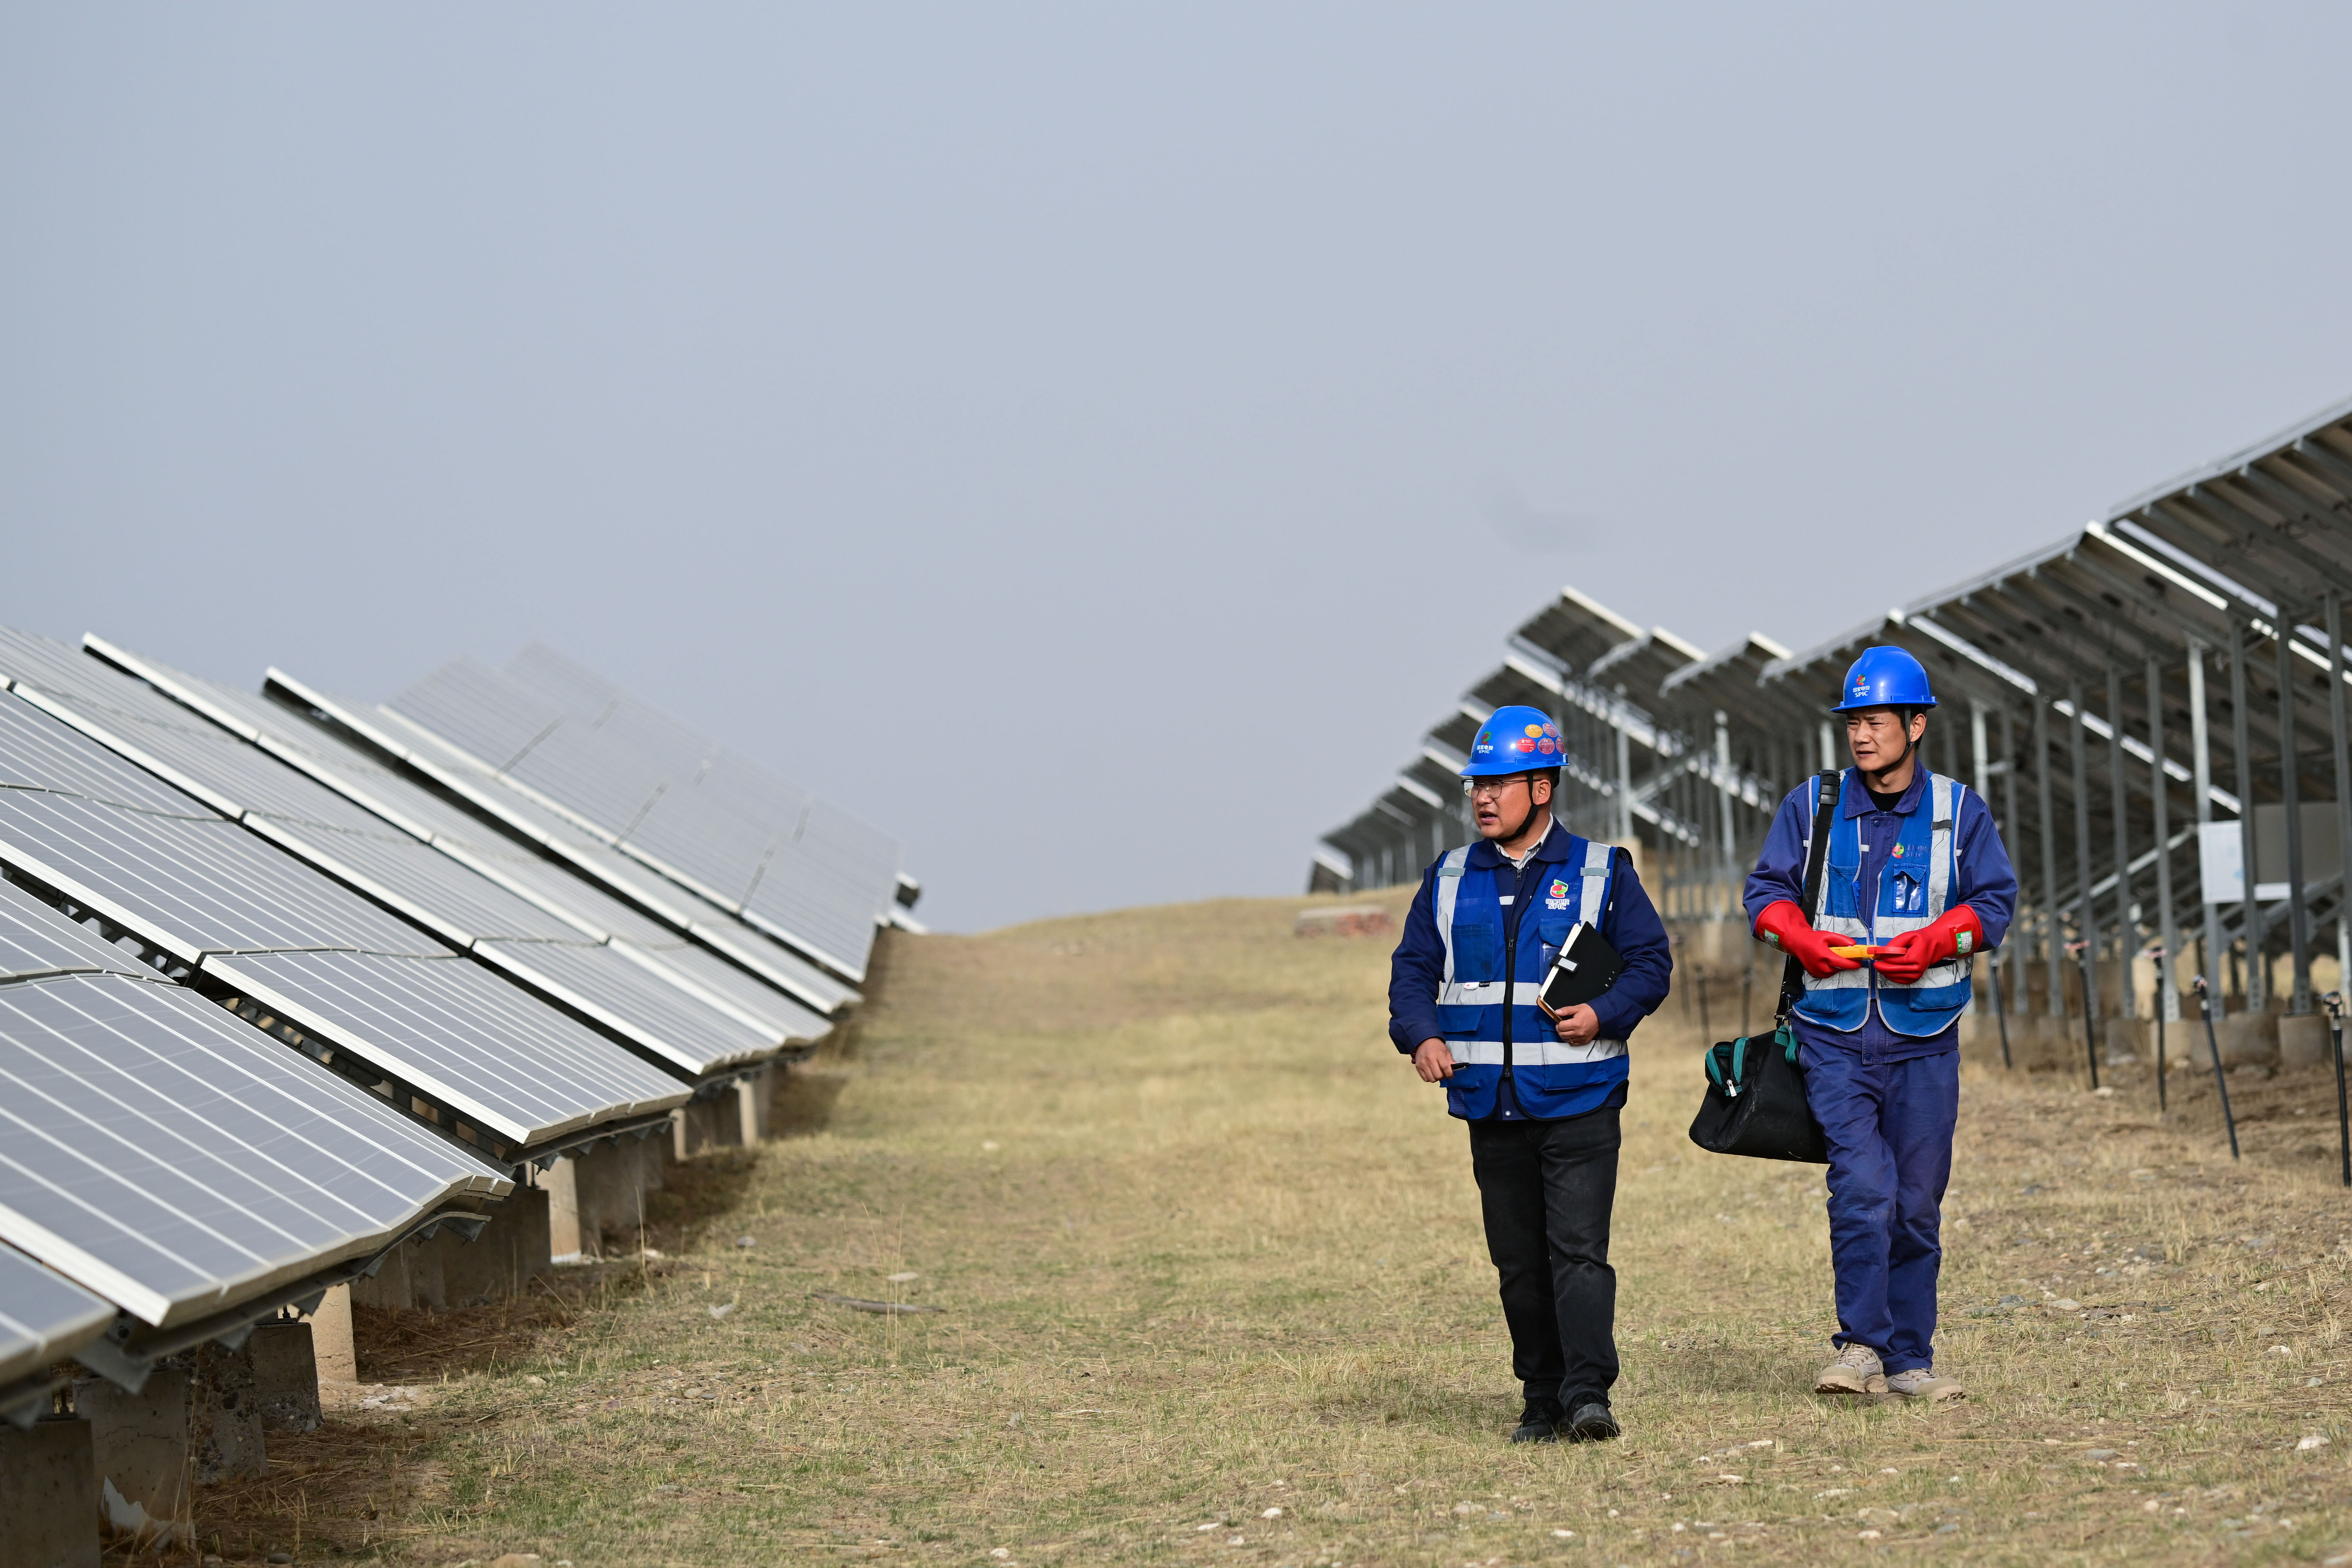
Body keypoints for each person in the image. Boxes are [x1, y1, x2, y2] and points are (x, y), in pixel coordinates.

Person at [1387, 704, 1673, 1444]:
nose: (1482, 797)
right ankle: (1539, 1400)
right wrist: (1419, 1035)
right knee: (1517, 1263)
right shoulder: (1448, 878)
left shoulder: (1600, 871)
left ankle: (1587, 1396)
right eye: (1475, 785)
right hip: (1490, 1104)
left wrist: (1603, 1014)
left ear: (1541, 789)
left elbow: (1650, 965)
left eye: (1498, 783)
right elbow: (1413, 970)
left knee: (1576, 1254)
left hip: (1580, 1099)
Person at [1742, 646, 2016, 1402]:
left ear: (1915, 724)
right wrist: (1798, 938)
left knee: (1917, 1203)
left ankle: (1910, 1360)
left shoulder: (1957, 811)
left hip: (1923, 1037)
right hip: (1831, 1034)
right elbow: (1762, 891)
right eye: (1852, 722)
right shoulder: (1813, 805)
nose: (1861, 736)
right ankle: (1860, 1345)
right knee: (1862, 1189)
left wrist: (1935, 941)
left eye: (1875, 721)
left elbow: (1993, 907)